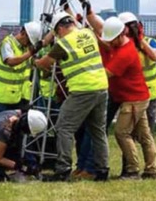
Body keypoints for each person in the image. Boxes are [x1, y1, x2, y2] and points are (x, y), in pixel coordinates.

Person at [33, 11, 110, 182]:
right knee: (98, 131)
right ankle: (103, 170)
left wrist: (34, 61)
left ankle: (62, 170)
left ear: (60, 28)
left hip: (83, 90)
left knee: (63, 128)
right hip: (102, 87)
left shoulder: (63, 43)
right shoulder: (88, 33)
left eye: (56, 32)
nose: (56, 35)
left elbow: (45, 64)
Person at [94, 15, 156, 179]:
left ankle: (132, 170)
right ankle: (151, 170)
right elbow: (105, 41)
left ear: (119, 35)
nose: (109, 42)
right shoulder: (125, 44)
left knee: (122, 133)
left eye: (111, 39)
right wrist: (92, 30)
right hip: (139, 97)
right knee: (145, 136)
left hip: (133, 100)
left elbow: (106, 74)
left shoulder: (125, 53)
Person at [0, 21, 43, 116]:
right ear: (23, 33)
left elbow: (35, 63)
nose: (29, 44)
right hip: (2, 99)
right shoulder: (7, 43)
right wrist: (30, 53)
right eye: (29, 41)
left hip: (19, 99)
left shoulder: (26, 50)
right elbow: (11, 61)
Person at [119, 12, 156, 131]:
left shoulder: (150, 41)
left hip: (150, 91)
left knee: (148, 126)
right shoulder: (124, 45)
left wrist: (140, 40)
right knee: (130, 127)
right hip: (131, 92)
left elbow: (155, 56)